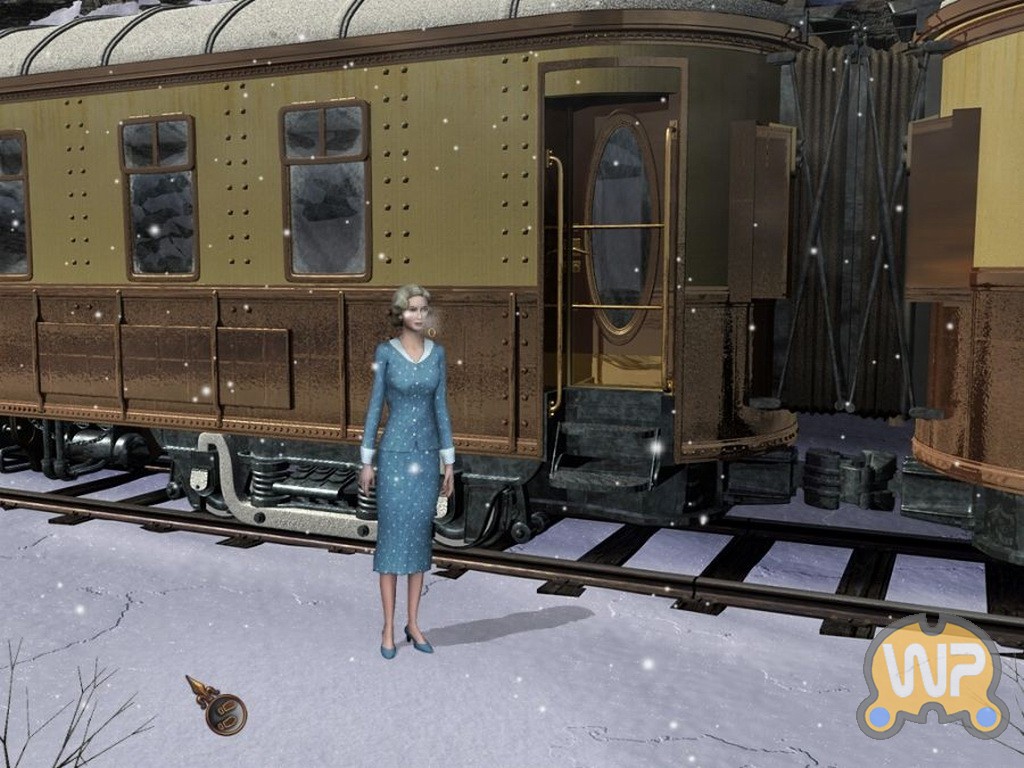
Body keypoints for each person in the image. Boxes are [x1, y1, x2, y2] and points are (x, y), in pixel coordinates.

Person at [358, 284, 455, 659]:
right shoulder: (385, 352)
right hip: (395, 457)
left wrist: (449, 461)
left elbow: (441, 408)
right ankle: (387, 626)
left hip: (426, 458)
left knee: (418, 542)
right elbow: (374, 407)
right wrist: (367, 461)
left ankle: (413, 623)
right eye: (412, 308)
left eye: (423, 309)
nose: (419, 315)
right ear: (400, 313)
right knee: (391, 543)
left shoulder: (437, 354)